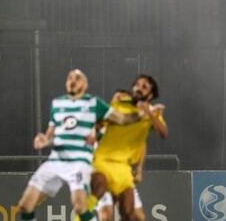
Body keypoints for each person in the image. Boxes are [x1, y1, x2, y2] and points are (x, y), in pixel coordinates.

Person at [15, 69, 145, 221]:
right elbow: (51, 133)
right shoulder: (57, 103)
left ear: (85, 84)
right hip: (57, 161)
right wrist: (45, 140)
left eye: (77, 78)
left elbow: (125, 124)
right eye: (69, 78)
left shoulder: (95, 105)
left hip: (83, 164)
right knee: (25, 206)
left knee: (86, 208)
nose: (72, 81)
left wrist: (144, 114)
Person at [91, 76, 167, 221]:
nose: (116, 99)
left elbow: (142, 144)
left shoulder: (128, 118)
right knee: (106, 214)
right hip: (103, 170)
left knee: (136, 217)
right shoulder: (104, 122)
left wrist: (139, 169)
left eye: (144, 87)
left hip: (121, 172)